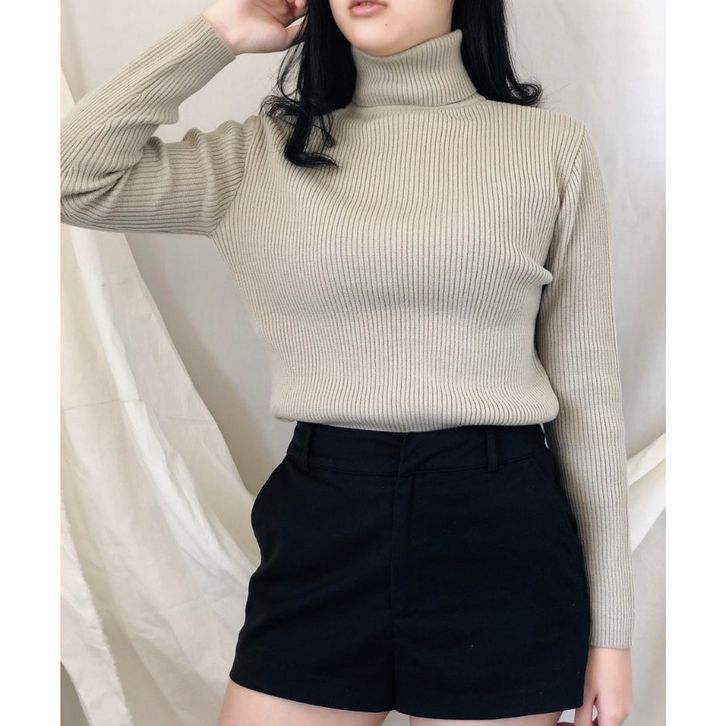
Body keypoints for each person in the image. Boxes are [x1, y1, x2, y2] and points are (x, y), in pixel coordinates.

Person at [60, 1, 636, 724]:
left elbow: (588, 397)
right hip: (323, 521)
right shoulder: (257, 156)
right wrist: (219, 35)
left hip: (499, 531)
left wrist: (611, 635)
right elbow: (65, 179)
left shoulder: (549, 149)